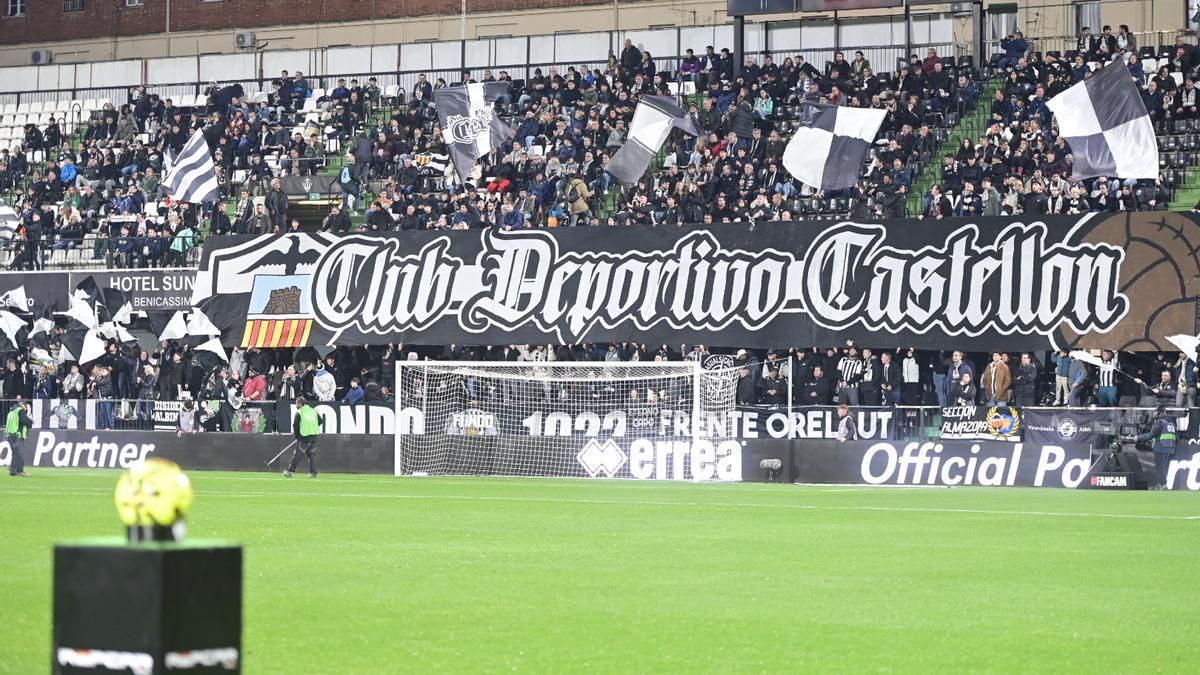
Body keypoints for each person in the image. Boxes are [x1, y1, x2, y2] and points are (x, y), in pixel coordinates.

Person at [1137, 405, 1177, 490]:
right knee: (1164, 467)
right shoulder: (1172, 422)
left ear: (1160, 412)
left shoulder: (1160, 422)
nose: (1156, 414)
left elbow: (1151, 435)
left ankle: (1163, 484)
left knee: (1160, 467)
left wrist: (1138, 437)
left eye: (1156, 412)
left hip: (1161, 446)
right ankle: (1161, 484)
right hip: (1170, 447)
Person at [285, 396, 324, 478]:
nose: (296, 405)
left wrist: (297, 436)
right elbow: (320, 421)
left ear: (300, 404)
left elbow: (295, 426)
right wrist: (312, 426)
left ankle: (289, 471)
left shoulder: (299, 412)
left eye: (297, 403)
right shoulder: (313, 411)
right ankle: (313, 473)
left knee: (297, 455)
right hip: (314, 435)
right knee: (312, 455)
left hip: (304, 436)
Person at [6, 400, 31, 477]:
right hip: (17, 434)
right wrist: (30, 421)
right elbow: (25, 421)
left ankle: (12, 470)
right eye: (26, 407)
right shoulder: (20, 410)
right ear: (23, 406)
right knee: (19, 453)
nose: (26, 409)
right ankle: (20, 471)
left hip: (9, 434)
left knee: (15, 453)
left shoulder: (11, 411)